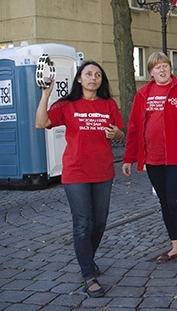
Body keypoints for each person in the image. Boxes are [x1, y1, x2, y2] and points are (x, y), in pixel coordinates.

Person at [35, 61, 125, 298]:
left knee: (100, 222)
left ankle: (88, 258)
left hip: (103, 171)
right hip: (76, 172)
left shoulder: (109, 104)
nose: (93, 78)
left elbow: (120, 132)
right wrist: (46, 94)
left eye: (97, 75)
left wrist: (116, 134)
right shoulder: (67, 105)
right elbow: (40, 123)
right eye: (88, 74)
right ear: (79, 79)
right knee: (83, 223)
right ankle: (88, 274)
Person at [122, 52, 177, 271]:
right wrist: (129, 157)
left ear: (170, 68)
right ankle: (175, 246)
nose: (162, 70)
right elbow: (133, 129)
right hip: (153, 158)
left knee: (175, 202)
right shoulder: (143, 95)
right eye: (157, 67)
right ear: (150, 72)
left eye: (165, 66)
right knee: (164, 203)